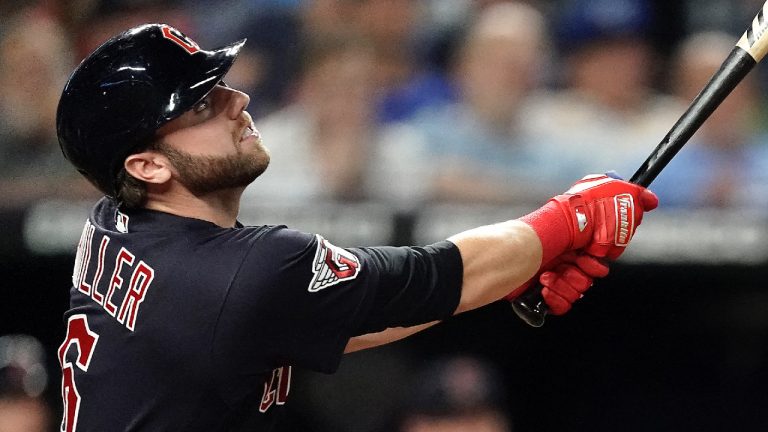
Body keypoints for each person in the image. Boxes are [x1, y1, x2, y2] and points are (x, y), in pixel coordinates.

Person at [54, 24, 658, 431]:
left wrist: (515, 269)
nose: (237, 100)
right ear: (146, 165)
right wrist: (570, 219)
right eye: (201, 106)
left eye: (222, 85)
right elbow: (432, 277)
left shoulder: (116, 223)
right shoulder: (243, 274)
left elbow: (333, 314)